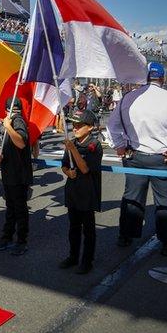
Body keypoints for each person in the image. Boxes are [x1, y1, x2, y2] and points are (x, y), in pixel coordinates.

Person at [107, 62, 167, 256]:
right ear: (162, 79)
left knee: (132, 197)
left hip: (135, 155)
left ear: (144, 77)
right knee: (165, 201)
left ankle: (126, 235)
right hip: (163, 158)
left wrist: (119, 145)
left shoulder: (128, 98)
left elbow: (112, 124)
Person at [59, 110, 103, 274]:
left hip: (87, 192)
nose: (75, 128)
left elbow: (85, 168)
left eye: (79, 125)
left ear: (90, 127)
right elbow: (64, 164)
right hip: (73, 191)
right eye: (73, 125)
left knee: (89, 229)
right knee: (73, 227)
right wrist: (67, 172)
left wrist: (73, 149)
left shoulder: (93, 145)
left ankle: (87, 260)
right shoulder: (73, 143)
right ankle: (73, 256)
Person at [0, 98, 33, 255]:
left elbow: (21, 142)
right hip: (8, 173)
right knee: (10, 208)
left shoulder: (17, 121)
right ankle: (7, 236)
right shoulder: (9, 123)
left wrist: (8, 126)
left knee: (19, 210)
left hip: (19, 175)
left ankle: (21, 241)